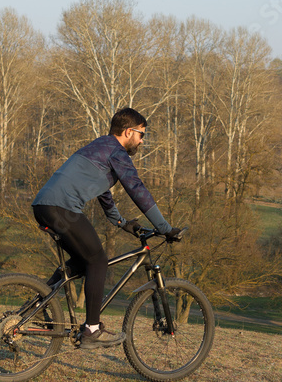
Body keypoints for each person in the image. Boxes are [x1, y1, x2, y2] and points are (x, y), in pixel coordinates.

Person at [32, 107, 178, 349]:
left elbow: (104, 195)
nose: (142, 141)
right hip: (62, 207)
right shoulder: (116, 152)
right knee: (98, 260)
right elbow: (136, 189)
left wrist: (122, 223)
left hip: (44, 205)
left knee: (81, 262)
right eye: (142, 135)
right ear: (128, 132)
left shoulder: (100, 147)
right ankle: (92, 329)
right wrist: (164, 227)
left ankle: (38, 305)